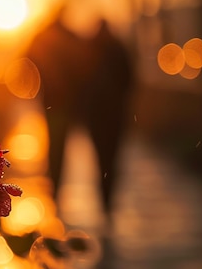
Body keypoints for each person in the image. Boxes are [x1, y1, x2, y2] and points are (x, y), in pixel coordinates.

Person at [26, 12, 134, 221]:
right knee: (107, 158)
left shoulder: (55, 40)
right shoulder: (109, 47)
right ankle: (106, 202)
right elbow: (128, 81)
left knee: (57, 150)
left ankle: (56, 193)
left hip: (61, 106)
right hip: (107, 113)